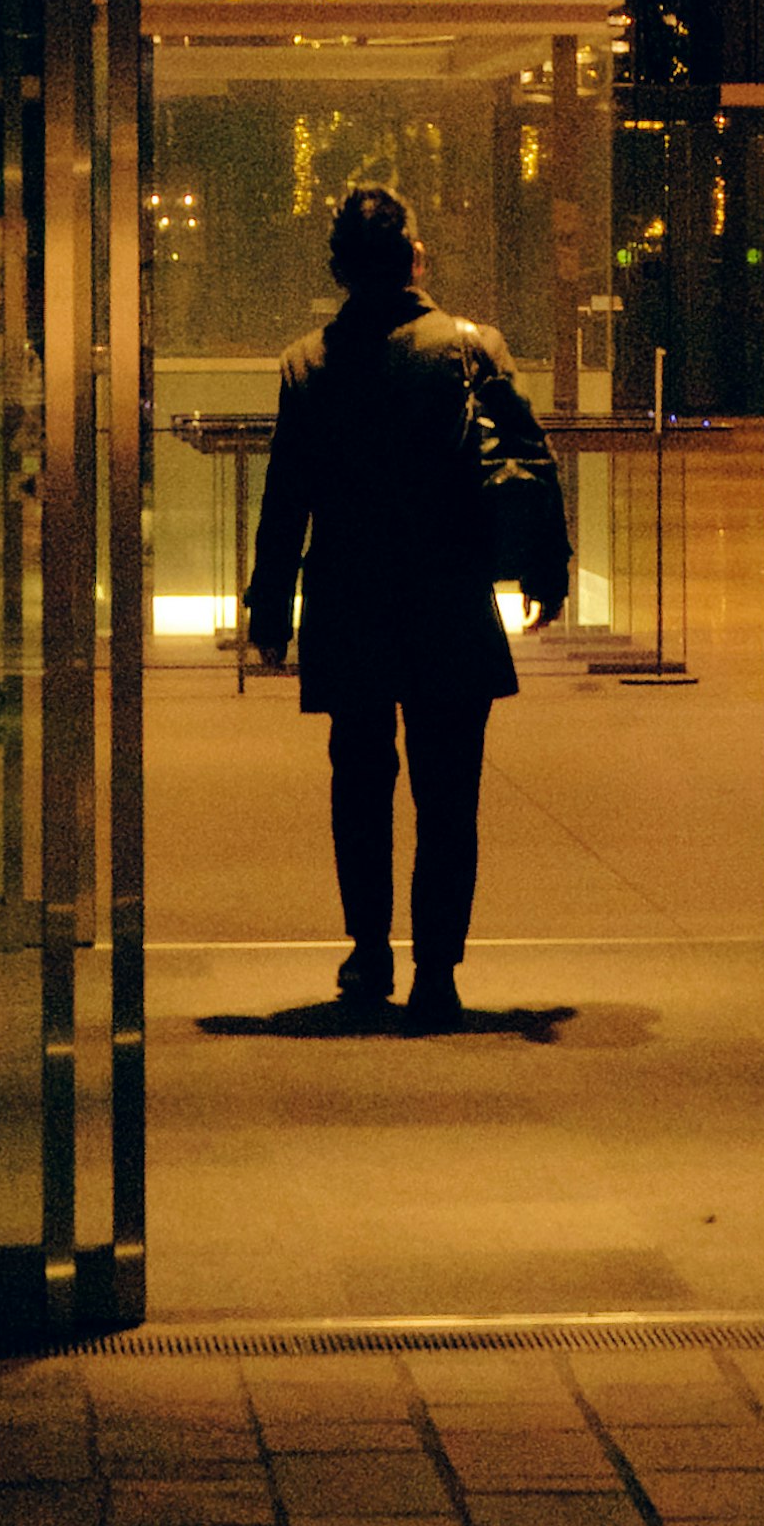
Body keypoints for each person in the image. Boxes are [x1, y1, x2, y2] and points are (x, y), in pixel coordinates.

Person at [243, 179, 569, 1028]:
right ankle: (438, 970)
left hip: (350, 597)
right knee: (448, 790)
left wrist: (270, 604)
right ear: (415, 257)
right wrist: (546, 566)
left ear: (340, 267)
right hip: (446, 593)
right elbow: (529, 457)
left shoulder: (307, 363)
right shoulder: (471, 346)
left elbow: (288, 496)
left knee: (359, 781)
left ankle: (369, 950)